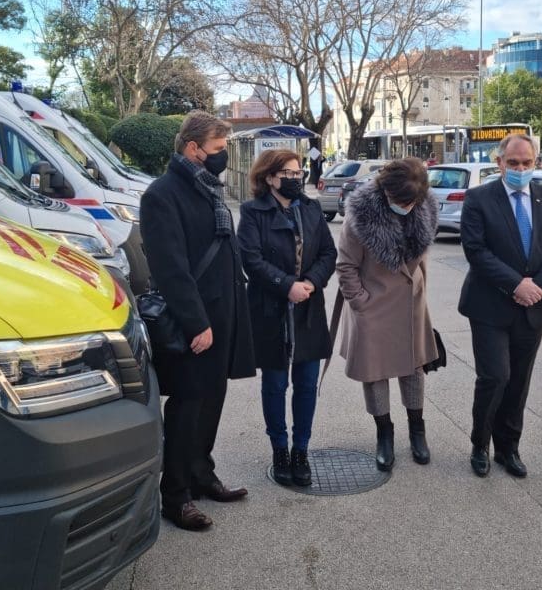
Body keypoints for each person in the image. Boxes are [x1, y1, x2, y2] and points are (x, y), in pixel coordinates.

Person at [140, 110, 255, 532]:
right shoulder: (162, 195)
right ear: (193, 149)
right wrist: (195, 323)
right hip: (196, 322)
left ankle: (202, 476)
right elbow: (171, 269)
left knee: (212, 401)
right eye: (219, 149)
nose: (223, 157)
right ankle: (176, 496)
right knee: (188, 407)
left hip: (223, 314)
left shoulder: (206, 186)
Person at [458, 135, 542, 479]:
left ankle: (509, 447)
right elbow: (476, 250)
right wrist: (515, 284)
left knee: (519, 380)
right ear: (500, 163)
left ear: (535, 162)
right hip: (490, 305)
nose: (520, 169)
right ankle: (481, 444)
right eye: (514, 163)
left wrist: (537, 286)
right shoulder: (479, 198)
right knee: (495, 377)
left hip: (533, 305)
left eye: (527, 163)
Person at [238, 149, 337, 487]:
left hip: (308, 308)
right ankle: (279, 449)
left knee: (308, 385)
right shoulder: (253, 212)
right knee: (276, 385)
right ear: (269, 177)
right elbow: (249, 259)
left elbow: (328, 252)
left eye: (299, 173)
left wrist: (310, 282)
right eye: (289, 174)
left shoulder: (310, 209)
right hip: (271, 310)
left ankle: (301, 450)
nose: (296, 180)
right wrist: (286, 286)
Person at [336, 158, 440, 472]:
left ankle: (417, 431)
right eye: (399, 201)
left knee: (414, 370)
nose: (405, 206)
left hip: (411, 304)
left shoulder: (424, 209)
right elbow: (346, 267)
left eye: (411, 201)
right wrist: (361, 304)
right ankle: (385, 433)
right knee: (376, 373)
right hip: (373, 308)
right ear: (385, 191)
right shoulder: (361, 216)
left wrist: (422, 300)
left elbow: (421, 263)